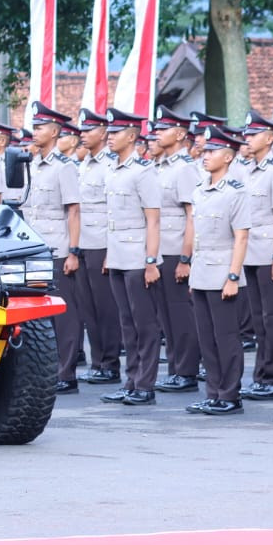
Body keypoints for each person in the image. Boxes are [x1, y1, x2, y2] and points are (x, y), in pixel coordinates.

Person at [182, 127, 251, 415]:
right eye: (205, 150)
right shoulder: (199, 191)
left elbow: (241, 237)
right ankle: (213, 392)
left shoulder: (236, 193)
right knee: (206, 338)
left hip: (224, 273)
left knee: (226, 338)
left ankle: (230, 395)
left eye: (212, 152)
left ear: (227, 157)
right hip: (201, 273)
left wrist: (233, 276)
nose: (205, 155)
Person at [99, 108, 163, 407]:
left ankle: (145, 384)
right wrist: (110, 255)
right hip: (118, 255)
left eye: (115, 133)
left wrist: (151, 261)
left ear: (132, 136)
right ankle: (131, 380)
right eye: (109, 133)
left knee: (144, 323)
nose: (110, 138)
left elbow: (153, 219)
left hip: (138, 256)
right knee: (126, 322)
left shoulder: (143, 171)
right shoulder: (113, 169)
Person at [23, 103, 82, 394]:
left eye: (40, 127)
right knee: (39, 313)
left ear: (56, 132)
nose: (35, 132)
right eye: (34, 127)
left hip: (57, 249)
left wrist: (73, 251)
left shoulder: (64, 167)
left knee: (64, 314)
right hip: (34, 249)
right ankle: (47, 369)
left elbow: (73, 211)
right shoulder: (31, 165)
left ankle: (66, 372)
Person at [238, 110, 273, 402]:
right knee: (260, 321)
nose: (247, 139)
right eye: (246, 134)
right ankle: (261, 375)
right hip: (249, 253)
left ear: (270, 138)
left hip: (269, 251)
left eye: (253, 134)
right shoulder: (246, 170)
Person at [151, 106, 202, 394]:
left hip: (176, 250)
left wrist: (186, 257)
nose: (157, 133)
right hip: (161, 250)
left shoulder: (184, 169)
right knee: (167, 316)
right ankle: (174, 369)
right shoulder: (162, 167)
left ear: (180, 134)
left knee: (180, 314)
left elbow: (192, 216)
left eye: (163, 129)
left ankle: (186, 372)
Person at [76, 108, 122, 385]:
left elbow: (114, 210)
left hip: (102, 244)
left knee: (106, 308)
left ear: (103, 133)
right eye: (81, 130)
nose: (83, 135)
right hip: (83, 243)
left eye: (88, 130)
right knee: (88, 308)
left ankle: (110, 363)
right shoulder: (85, 164)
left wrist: (110, 250)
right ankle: (97, 361)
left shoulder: (110, 165)